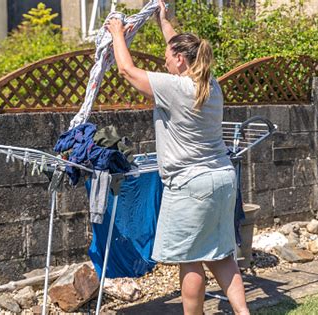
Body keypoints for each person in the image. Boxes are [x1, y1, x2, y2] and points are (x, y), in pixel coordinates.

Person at [105, 1, 249, 314]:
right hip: (222, 179)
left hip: (191, 187)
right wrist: (164, 21)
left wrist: (117, 31)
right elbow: (178, 49)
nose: (165, 62)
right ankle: (243, 313)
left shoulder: (176, 87)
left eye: (168, 57)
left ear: (181, 60)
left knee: (191, 259)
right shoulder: (211, 84)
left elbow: (126, 71)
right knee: (221, 254)